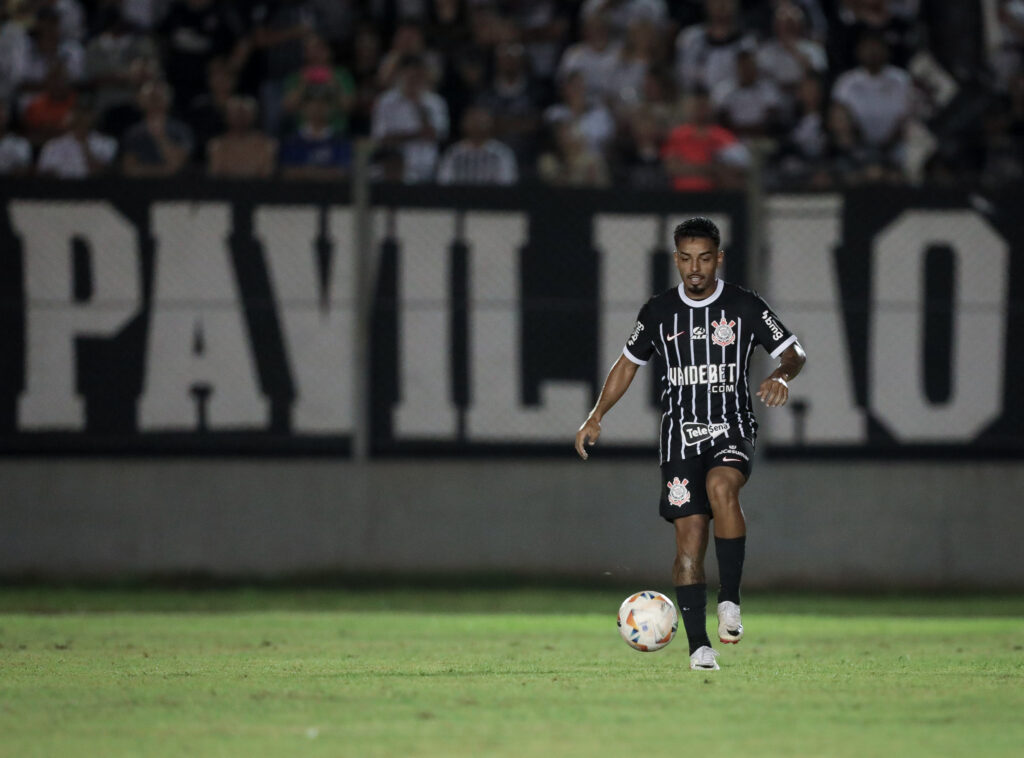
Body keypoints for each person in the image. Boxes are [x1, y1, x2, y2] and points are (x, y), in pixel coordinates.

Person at [574, 217, 806, 671]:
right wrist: (596, 415)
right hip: (679, 435)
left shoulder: (743, 305)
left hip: (731, 426)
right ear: (676, 259)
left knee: (723, 488)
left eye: (704, 258)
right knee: (689, 539)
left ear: (718, 258)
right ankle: (699, 647)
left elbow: (793, 352)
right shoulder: (658, 312)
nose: (695, 268)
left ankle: (731, 600)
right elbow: (627, 365)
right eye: (686, 258)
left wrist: (780, 375)